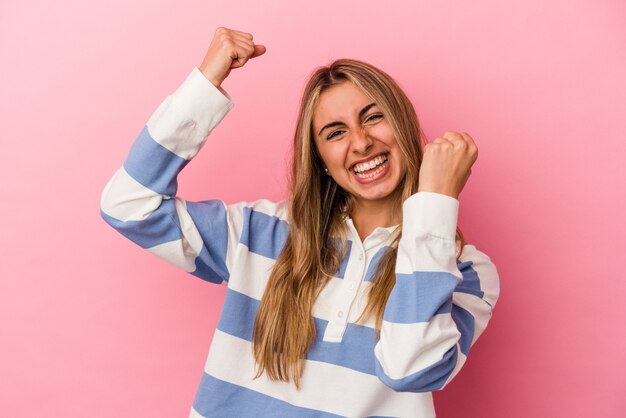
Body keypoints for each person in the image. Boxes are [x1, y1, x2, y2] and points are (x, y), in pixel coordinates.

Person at [100, 27, 500, 418]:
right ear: (322, 160)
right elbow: (127, 205)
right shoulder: (259, 232)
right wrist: (204, 85)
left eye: (374, 117)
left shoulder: (466, 271)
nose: (360, 143)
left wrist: (434, 204)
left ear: (404, 125)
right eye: (336, 132)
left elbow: (410, 369)